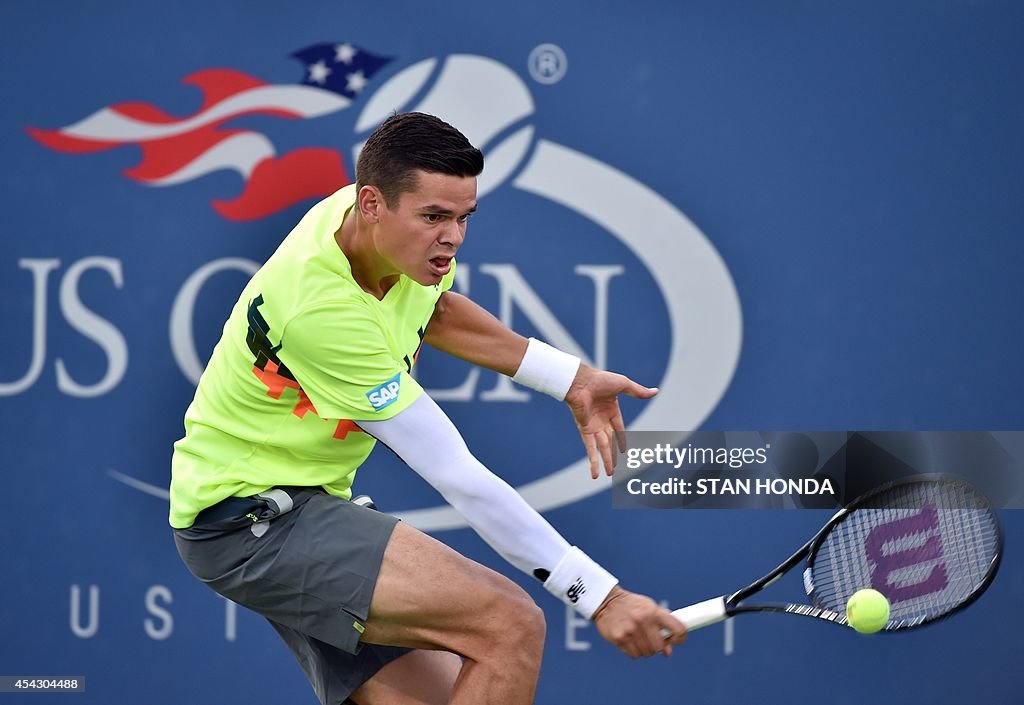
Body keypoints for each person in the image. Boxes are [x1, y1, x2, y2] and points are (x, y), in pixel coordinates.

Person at [170, 111, 686, 705]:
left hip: (299, 505)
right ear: (371, 204)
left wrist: (569, 378)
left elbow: (434, 311)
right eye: (436, 217)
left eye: (464, 217)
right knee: (510, 626)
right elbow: (457, 475)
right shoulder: (320, 313)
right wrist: (600, 596)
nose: (453, 237)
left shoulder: (388, 235)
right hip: (250, 525)